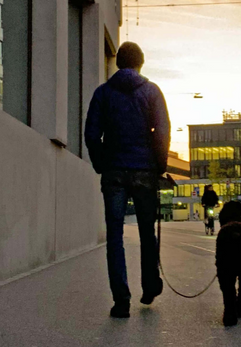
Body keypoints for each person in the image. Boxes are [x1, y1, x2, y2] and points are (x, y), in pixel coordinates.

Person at [84, 42, 170, 319]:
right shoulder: (152, 91)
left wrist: (102, 164)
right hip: (145, 170)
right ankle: (149, 286)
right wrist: (159, 166)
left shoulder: (103, 93)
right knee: (147, 231)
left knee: (115, 235)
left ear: (118, 63)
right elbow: (162, 131)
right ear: (141, 63)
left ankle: (121, 301)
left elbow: (91, 134)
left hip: (114, 172)